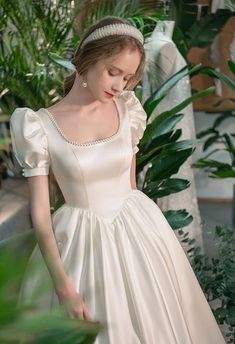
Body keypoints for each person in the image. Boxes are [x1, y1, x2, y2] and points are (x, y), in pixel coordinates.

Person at [10, 16, 225, 344]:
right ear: (87, 61)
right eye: (113, 73)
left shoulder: (128, 110)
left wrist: (148, 247)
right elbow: (40, 216)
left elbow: (131, 184)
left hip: (139, 229)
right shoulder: (39, 126)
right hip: (80, 242)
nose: (120, 86)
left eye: (128, 78)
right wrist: (64, 285)